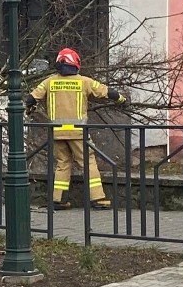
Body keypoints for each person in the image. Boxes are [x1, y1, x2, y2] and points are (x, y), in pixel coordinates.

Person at [25, 47, 127, 210]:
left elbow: (31, 99)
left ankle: (58, 200)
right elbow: (108, 92)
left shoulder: (49, 82)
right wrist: (122, 100)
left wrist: (30, 109)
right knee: (88, 163)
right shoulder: (84, 82)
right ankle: (97, 198)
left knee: (63, 163)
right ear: (76, 64)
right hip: (78, 132)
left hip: (57, 132)